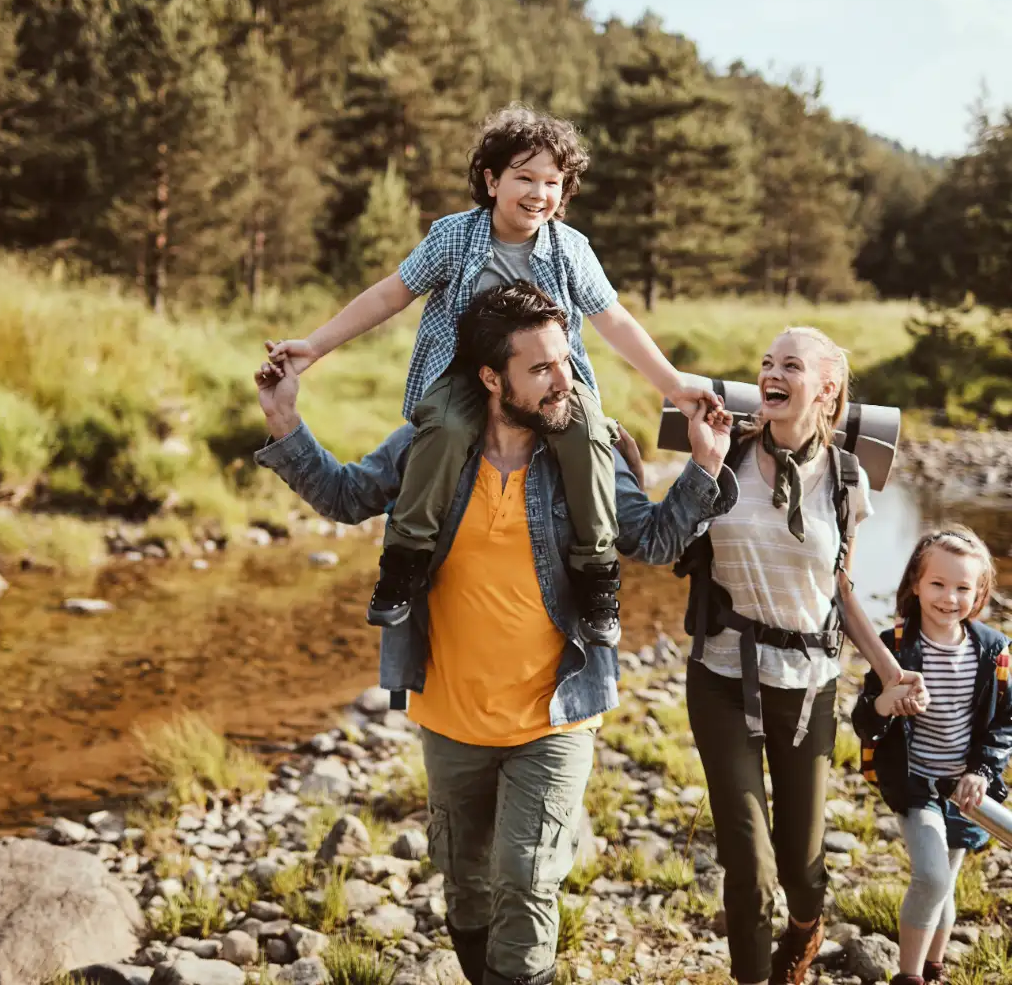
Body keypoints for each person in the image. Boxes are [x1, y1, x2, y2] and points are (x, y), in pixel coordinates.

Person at [254, 282, 737, 985]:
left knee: (528, 876)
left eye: (564, 360)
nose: (562, 380)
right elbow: (347, 496)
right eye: (540, 368)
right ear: (490, 377)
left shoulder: (586, 454)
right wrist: (285, 423)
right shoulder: (431, 447)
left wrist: (706, 464)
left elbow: (656, 540)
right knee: (466, 882)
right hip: (451, 716)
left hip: (556, 713)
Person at [265, 103, 719, 650]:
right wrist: (314, 346)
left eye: (552, 182)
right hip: (462, 375)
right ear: (491, 180)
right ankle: (405, 558)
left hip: (553, 382)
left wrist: (672, 384)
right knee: (446, 429)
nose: (538, 193)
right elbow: (390, 294)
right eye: (524, 177)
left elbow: (613, 320)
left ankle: (596, 571)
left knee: (588, 434)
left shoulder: (570, 249)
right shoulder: (454, 237)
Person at [677, 326, 929, 985]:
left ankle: (805, 924)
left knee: (802, 864)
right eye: (766, 362)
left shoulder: (846, 480)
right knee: (748, 861)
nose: (771, 373)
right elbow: (667, 530)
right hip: (720, 675)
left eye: (790, 365)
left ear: (825, 389)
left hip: (809, 684)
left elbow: (839, 590)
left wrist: (889, 670)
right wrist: (625, 468)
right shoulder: (726, 453)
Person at [853, 527, 1012, 985]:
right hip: (916, 782)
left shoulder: (993, 651)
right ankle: (909, 977)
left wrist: (982, 770)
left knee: (947, 884)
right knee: (932, 877)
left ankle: (934, 969)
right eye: (938, 584)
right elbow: (865, 720)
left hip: (966, 789)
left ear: (980, 593)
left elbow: (1004, 722)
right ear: (916, 585)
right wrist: (886, 703)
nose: (949, 598)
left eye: (963, 587)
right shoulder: (894, 647)